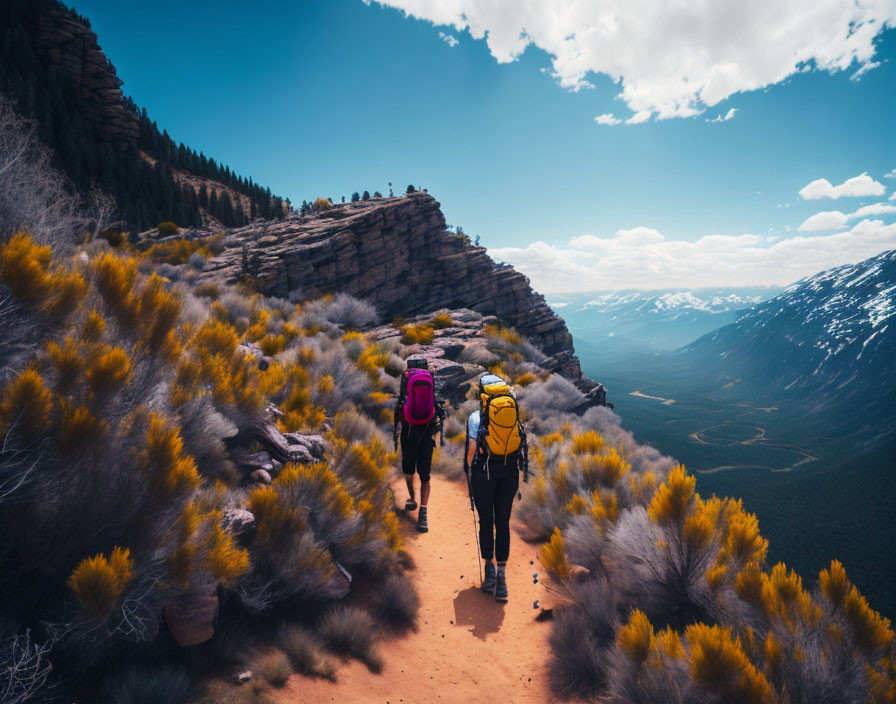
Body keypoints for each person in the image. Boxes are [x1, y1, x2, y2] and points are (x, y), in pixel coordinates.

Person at [465, 373, 529, 602]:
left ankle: (489, 572)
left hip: (485, 473)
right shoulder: (512, 413)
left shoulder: (475, 417)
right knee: (502, 522)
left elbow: (472, 447)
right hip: (509, 472)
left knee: (486, 521)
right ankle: (502, 580)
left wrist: (470, 470)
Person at [394, 357, 444, 533]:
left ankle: (412, 498)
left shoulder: (406, 377)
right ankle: (423, 514)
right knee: (425, 475)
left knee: (408, 469)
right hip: (427, 430)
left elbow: (402, 402)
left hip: (409, 430)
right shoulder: (429, 376)